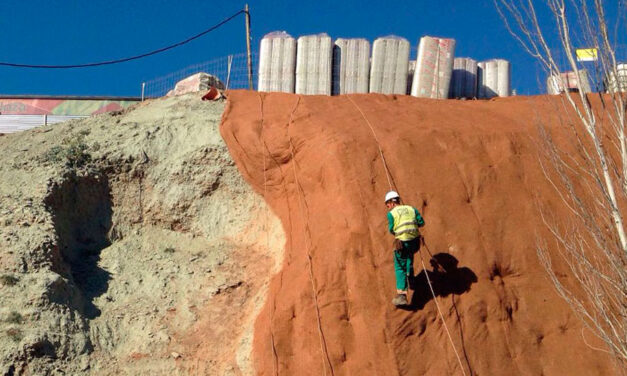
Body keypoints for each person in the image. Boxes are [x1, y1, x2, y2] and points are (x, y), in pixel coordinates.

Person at [385, 190, 425, 306]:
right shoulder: (412, 209)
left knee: (399, 266)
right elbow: (421, 223)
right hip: (415, 242)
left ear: (392, 203)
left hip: (403, 243)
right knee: (409, 256)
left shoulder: (391, 214)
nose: (388, 208)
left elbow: (391, 229)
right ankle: (411, 278)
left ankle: (402, 295)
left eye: (387, 205)